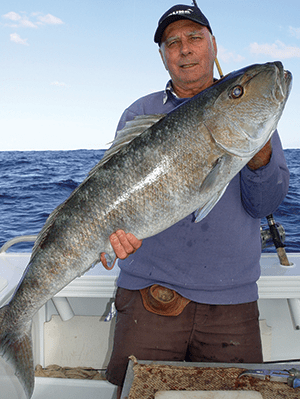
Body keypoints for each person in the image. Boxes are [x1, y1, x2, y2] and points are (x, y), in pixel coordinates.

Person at [103, 4, 290, 397]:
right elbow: (107, 195)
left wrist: (257, 156)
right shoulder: (141, 112)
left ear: (213, 45)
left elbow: (265, 204)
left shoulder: (248, 120)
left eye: (194, 38)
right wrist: (114, 238)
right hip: (148, 299)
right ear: (163, 56)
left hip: (232, 305)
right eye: (173, 43)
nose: (184, 48)